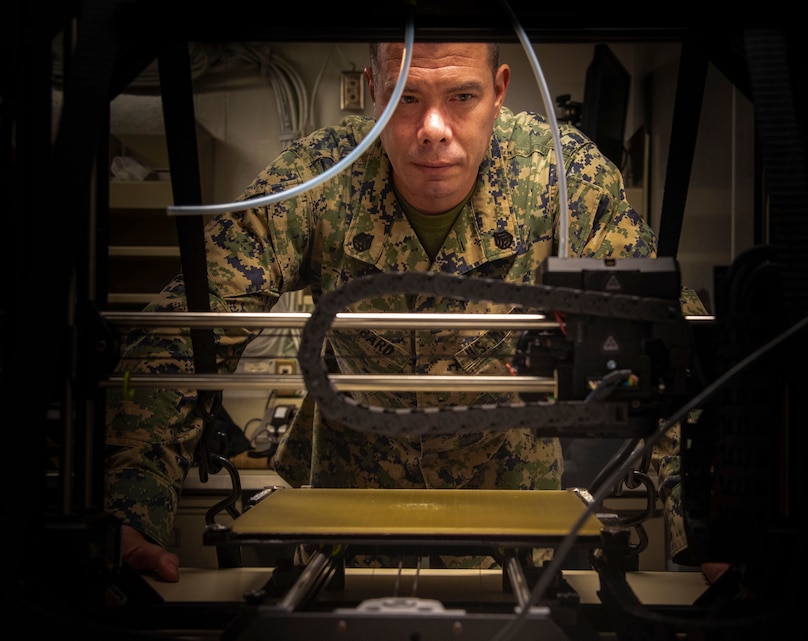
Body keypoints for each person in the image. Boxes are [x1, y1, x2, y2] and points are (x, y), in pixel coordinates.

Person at [104, 41, 707, 583]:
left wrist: (710, 531)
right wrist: (129, 509)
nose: (433, 128)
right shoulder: (319, 178)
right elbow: (185, 329)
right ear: (373, 90)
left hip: (515, 523)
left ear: (499, 91)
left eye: (462, 96)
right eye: (406, 96)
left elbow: (666, 347)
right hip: (344, 524)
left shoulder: (560, 176)